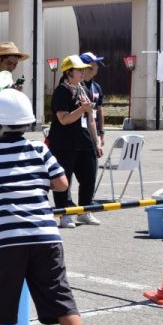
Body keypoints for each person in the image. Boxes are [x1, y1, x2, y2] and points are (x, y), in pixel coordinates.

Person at [0, 89, 99, 325]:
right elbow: (62, 183)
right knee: (61, 295)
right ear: (27, 124)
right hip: (45, 235)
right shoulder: (39, 151)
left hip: (7, 240)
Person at [48, 55, 102, 228]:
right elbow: (63, 119)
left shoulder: (82, 89)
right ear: (69, 72)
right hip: (63, 143)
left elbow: (91, 118)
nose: (84, 72)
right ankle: (63, 214)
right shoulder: (61, 92)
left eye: (84, 69)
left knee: (89, 176)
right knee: (64, 179)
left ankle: (85, 211)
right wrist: (82, 109)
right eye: (80, 69)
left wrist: (97, 141)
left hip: (84, 141)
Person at [80, 52, 106, 147]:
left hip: (94, 129)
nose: (98, 67)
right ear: (87, 67)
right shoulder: (77, 86)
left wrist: (101, 132)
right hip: (81, 132)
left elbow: (100, 110)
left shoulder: (97, 87)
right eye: (95, 64)